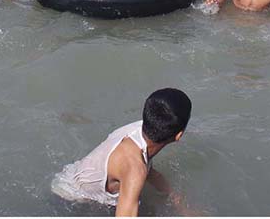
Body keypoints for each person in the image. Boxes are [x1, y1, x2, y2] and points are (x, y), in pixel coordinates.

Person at [52, 88, 191, 217]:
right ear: (179, 135)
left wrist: (177, 200)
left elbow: (149, 171)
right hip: (72, 202)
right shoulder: (135, 169)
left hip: (67, 180)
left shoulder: (142, 128)